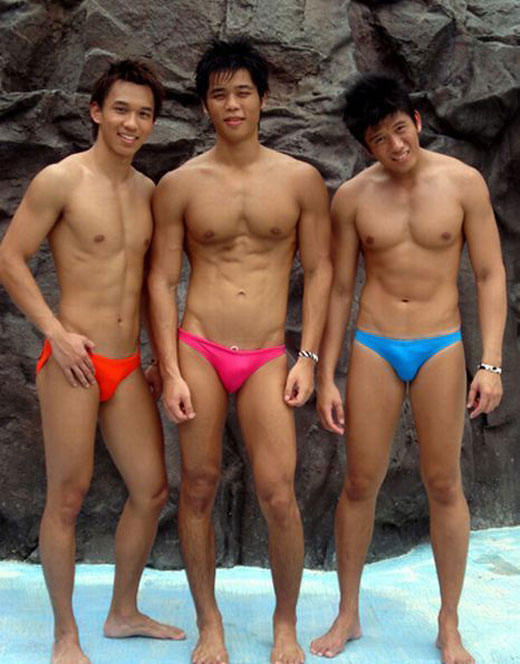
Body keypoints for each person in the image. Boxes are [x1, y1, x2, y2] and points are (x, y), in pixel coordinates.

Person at [310, 73, 506, 664]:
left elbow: (490, 274)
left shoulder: (463, 183)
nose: (395, 145)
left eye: (401, 129)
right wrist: (325, 374)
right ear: (364, 145)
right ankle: (348, 613)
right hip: (375, 344)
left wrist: (491, 363)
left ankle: (449, 622)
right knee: (359, 483)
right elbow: (339, 288)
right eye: (379, 139)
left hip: (441, 345)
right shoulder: (352, 198)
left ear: (416, 120)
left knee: (444, 484)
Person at [148, 38, 332, 664]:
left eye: (243, 93)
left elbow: (323, 271)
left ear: (263, 99)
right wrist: (170, 368)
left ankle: (285, 624)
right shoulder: (178, 185)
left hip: (266, 354)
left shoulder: (300, 180)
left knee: (278, 492)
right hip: (198, 346)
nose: (232, 104)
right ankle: (210, 625)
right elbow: (159, 279)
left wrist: (308, 357)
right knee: (197, 487)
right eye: (220, 94)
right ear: (205, 105)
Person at [0, 60, 186, 664]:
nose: (132, 123)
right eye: (122, 109)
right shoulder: (61, 180)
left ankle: (122, 612)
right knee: (68, 496)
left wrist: (159, 358)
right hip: (73, 362)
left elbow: (151, 285)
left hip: (127, 364)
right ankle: (65, 635)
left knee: (152, 490)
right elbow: (9, 257)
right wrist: (55, 332)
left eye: (144, 114)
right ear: (97, 111)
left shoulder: (149, 193)